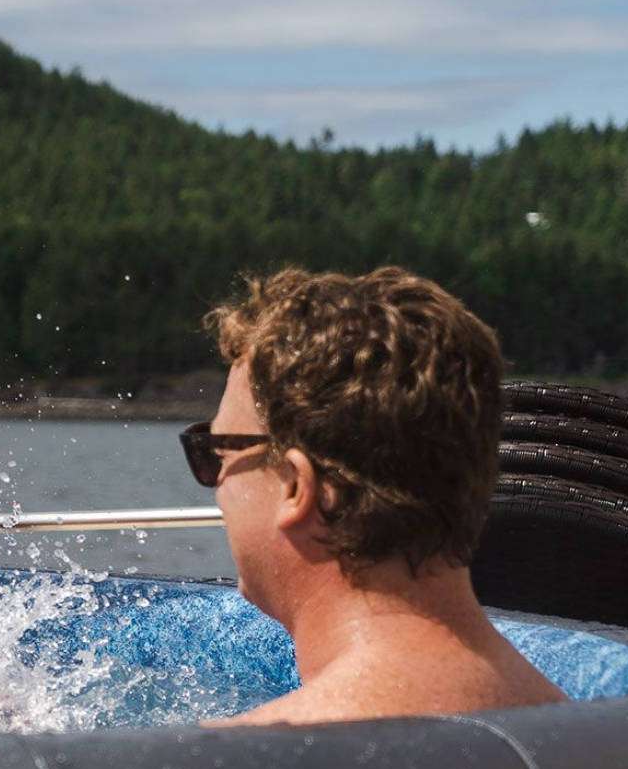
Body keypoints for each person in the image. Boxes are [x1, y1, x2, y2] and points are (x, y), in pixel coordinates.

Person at [184, 267, 565, 726]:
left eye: (214, 452)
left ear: (296, 487)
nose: (217, 482)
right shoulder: (581, 726)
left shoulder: (242, 755)